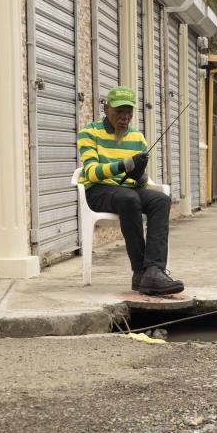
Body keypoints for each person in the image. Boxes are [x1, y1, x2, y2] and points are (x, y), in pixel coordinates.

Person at [76, 86, 184, 296]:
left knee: (160, 200)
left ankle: (154, 270)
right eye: (119, 112)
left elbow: (139, 183)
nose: (124, 118)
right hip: (99, 190)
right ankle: (139, 272)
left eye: (129, 112)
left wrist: (138, 175)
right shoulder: (89, 133)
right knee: (129, 198)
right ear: (106, 109)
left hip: (127, 190)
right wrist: (123, 166)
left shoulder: (137, 138)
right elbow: (90, 173)